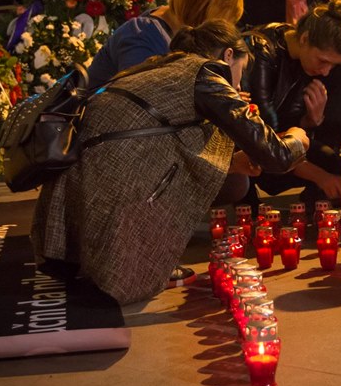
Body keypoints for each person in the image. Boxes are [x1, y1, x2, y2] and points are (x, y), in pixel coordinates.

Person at [32, 20, 309, 304]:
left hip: (68, 210)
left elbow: (166, 136)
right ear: (228, 56)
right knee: (223, 181)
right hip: (116, 182)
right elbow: (276, 155)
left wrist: (230, 161)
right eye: (240, 71)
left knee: (232, 179)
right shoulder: (207, 74)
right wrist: (299, 138)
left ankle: (123, 253)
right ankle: (138, 259)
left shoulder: (159, 66)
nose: (238, 84)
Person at [245, 0, 341, 202]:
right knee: (326, 173)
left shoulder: (313, 62)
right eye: (323, 61)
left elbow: (292, 124)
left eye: (332, 65)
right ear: (304, 38)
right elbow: (261, 137)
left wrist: (310, 122)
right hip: (251, 150)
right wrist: (320, 177)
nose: (325, 72)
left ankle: (318, 209)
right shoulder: (263, 50)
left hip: (289, 143)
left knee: (336, 166)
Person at [86, 0, 243, 88]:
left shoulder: (166, 26)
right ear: (199, 12)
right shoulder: (141, 35)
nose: (222, 31)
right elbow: (140, 99)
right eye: (222, 21)